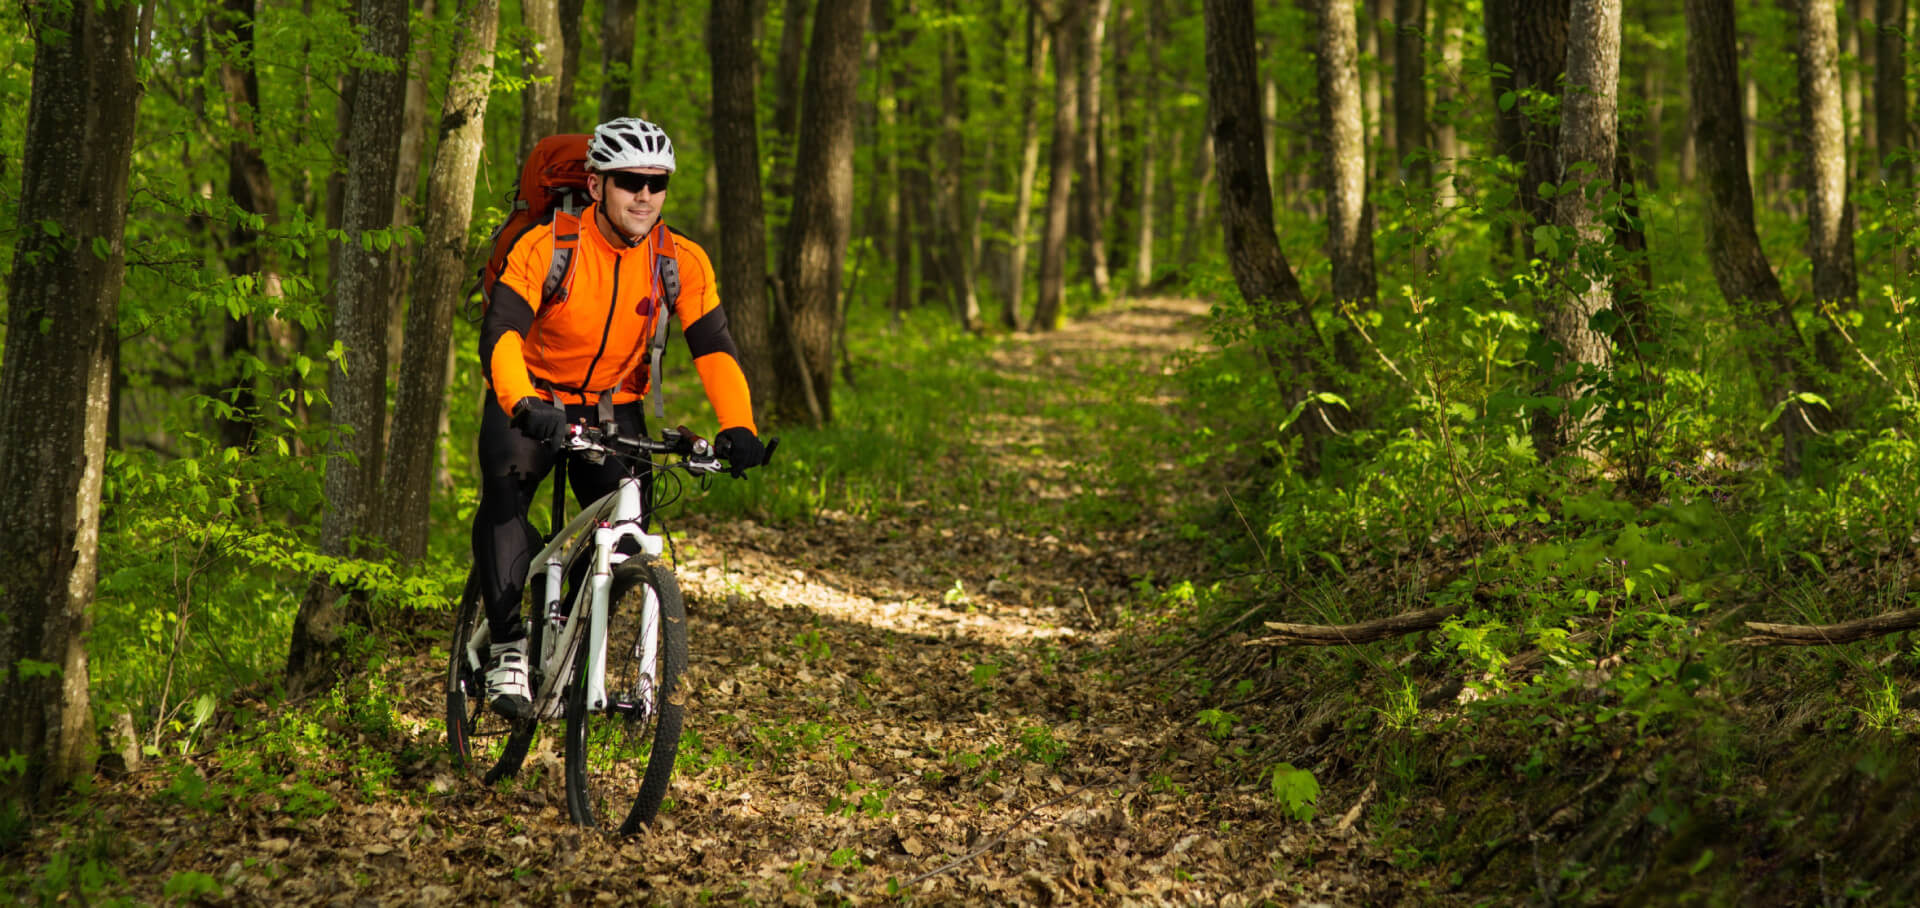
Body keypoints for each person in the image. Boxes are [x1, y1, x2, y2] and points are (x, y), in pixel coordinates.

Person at [474, 116, 765, 719]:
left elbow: (714, 347)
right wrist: (522, 403)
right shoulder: (550, 245)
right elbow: (501, 332)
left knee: (624, 522)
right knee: (506, 500)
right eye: (629, 180)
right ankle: (506, 645)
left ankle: (570, 626)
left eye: (657, 184)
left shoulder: (679, 260)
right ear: (596, 183)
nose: (644, 195)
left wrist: (740, 427)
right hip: (531, 396)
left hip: (612, 406)